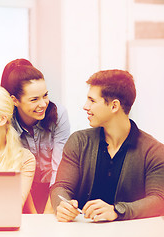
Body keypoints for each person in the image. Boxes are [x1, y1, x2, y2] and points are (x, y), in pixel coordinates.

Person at [50, 69, 164, 222]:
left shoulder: (154, 151)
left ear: (114, 106)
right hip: (80, 232)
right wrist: (62, 204)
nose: (85, 106)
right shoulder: (78, 142)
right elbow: (61, 187)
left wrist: (117, 211)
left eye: (92, 100)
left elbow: (158, 200)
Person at [0, 59, 70, 213]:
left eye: (45, 96)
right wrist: (35, 215)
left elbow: (59, 168)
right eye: (34, 100)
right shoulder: (6, 122)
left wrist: (48, 211)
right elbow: (16, 171)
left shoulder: (59, 115)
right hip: (23, 190)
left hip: (55, 187)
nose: (43, 104)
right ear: (15, 100)